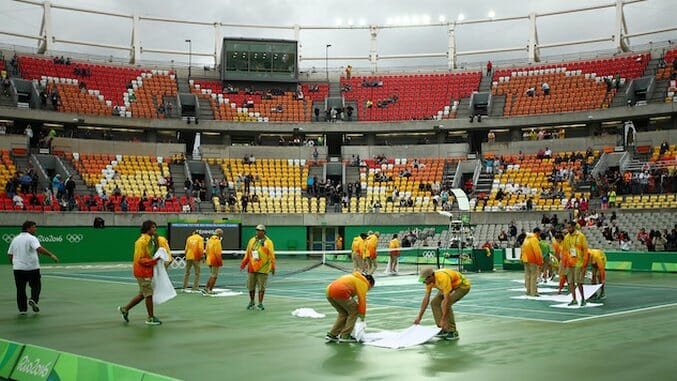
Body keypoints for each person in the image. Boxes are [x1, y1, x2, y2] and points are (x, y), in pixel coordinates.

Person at [7, 221, 59, 314]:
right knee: (36, 286)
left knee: (20, 289)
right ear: (28, 228)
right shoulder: (32, 238)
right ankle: (33, 300)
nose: (36, 229)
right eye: (34, 227)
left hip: (18, 269)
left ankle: (22, 310)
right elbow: (38, 248)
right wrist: (51, 255)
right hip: (32, 268)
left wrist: (14, 264)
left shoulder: (15, 239)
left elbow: (10, 254)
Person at [117, 220, 162, 325]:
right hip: (142, 272)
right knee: (149, 294)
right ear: (148, 229)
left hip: (147, 271)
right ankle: (150, 318)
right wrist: (154, 261)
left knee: (143, 294)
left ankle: (125, 309)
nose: (155, 229)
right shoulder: (141, 241)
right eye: (153, 227)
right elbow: (140, 259)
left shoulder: (150, 240)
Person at [414, 266, 470, 340]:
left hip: (462, 286)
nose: (424, 282)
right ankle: (443, 329)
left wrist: (443, 319)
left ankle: (452, 332)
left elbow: (446, 301)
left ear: (430, 277)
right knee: (434, 303)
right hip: (449, 286)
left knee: (445, 303)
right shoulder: (429, 283)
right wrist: (419, 317)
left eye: (424, 280)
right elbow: (426, 299)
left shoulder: (443, 278)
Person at [325, 272, 374, 343]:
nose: (368, 289)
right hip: (340, 291)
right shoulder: (363, 282)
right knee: (355, 311)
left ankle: (332, 334)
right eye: (370, 287)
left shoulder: (353, 277)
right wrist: (362, 317)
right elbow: (362, 301)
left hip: (328, 292)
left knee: (343, 313)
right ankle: (345, 335)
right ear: (369, 282)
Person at [240, 224, 275, 310]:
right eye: (257, 230)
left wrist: (273, 267)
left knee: (261, 287)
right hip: (252, 267)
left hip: (263, 268)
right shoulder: (251, 240)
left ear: (264, 232)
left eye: (260, 230)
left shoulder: (268, 242)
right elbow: (248, 253)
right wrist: (243, 264)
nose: (258, 232)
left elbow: (271, 255)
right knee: (251, 286)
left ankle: (260, 303)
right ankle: (252, 302)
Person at [561, 221, 589, 306]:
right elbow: (565, 251)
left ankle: (583, 299)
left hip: (579, 263)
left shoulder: (581, 236)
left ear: (574, 227)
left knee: (579, 282)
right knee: (570, 282)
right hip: (570, 263)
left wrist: (585, 263)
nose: (568, 229)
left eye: (569, 227)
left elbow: (585, 250)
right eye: (567, 227)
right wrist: (564, 263)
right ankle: (574, 299)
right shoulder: (566, 237)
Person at [520, 228, 543, 297]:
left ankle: (528, 291)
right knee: (534, 276)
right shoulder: (534, 239)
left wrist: (521, 258)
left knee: (527, 276)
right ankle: (533, 292)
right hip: (532, 259)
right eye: (539, 233)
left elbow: (522, 248)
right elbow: (537, 251)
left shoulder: (526, 239)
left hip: (525, 259)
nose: (540, 235)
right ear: (537, 232)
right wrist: (540, 261)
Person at [202, 229, 223, 295]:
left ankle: (206, 288)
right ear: (219, 234)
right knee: (214, 276)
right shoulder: (217, 241)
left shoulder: (209, 240)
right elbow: (217, 253)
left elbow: (207, 251)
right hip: (214, 260)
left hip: (209, 259)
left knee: (212, 275)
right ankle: (210, 289)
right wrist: (219, 262)